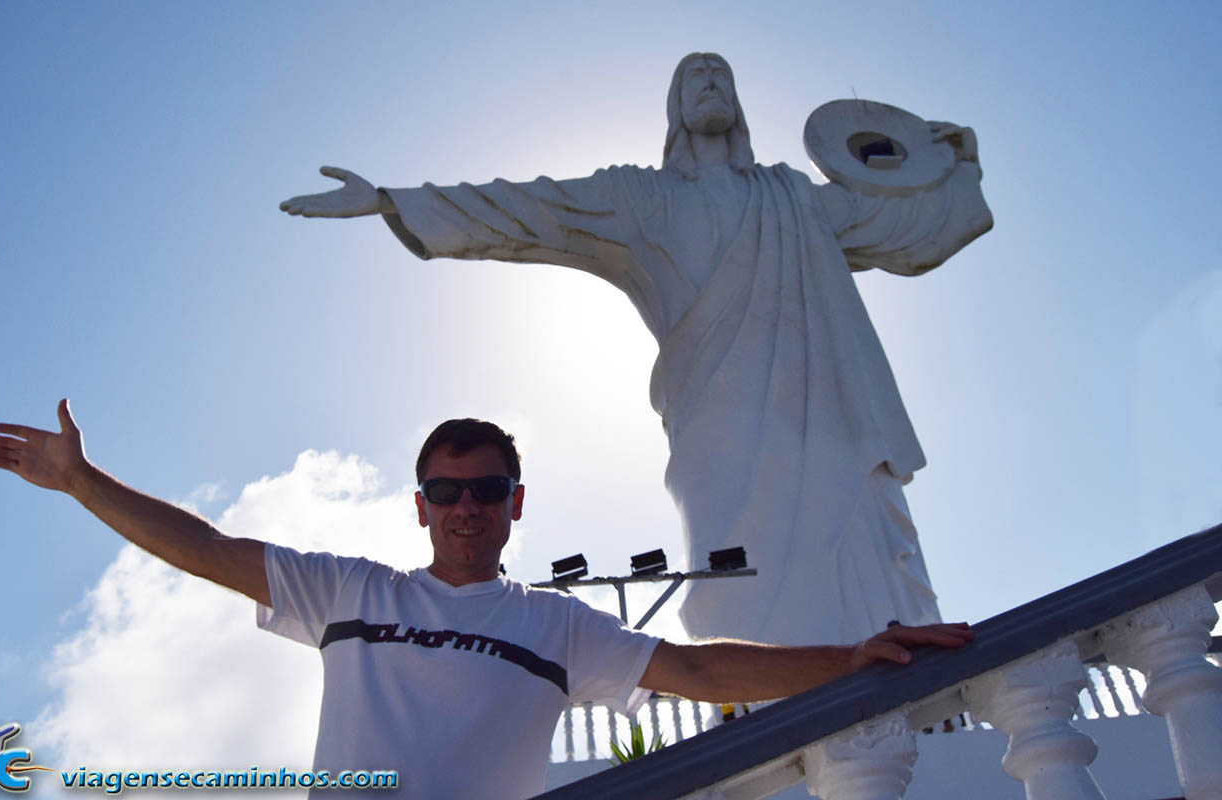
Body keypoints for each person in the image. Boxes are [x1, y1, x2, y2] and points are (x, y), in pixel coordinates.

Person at [279, 52, 994, 649]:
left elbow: (906, 223)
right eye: (695, 77)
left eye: (721, 75)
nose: (710, 83)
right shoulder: (638, 199)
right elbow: (533, 209)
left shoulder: (795, 198)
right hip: (717, 422)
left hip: (828, 416)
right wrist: (392, 201)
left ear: (739, 104)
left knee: (855, 540)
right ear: (676, 108)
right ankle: (758, 699)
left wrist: (949, 159)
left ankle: (907, 687)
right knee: (740, 571)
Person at [0, 400, 974, 799]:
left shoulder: (555, 625)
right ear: (420, 503)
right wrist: (82, 480)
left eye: (485, 489)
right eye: (446, 490)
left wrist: (848, 654)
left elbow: (704, 670)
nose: (465, 507)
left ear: (514, 502)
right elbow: (203, 545)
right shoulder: (348, 589)